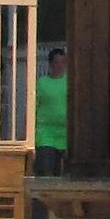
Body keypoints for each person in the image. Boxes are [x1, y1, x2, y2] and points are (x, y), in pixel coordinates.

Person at [33, 45, 69, 178]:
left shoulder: (70, 82)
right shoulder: (42, 83)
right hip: (45, 132)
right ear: (50, 64)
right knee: (45, 169)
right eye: (56, 62)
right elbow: (33, 106)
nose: (59, 65)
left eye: (62, 62)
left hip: (66, 133)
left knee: (63, 173)